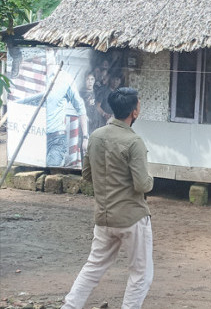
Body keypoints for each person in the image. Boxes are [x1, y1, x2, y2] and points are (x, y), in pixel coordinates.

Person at [62, 87, 154, 309]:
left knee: (93, 268)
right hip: (132, 218)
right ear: (135, 112)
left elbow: (86, 174)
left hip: (103, 217)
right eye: (139, 104)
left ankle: (69, 306)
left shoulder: (96, 136)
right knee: (141, 274)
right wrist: (151, 179)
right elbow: (143, 184)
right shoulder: (134, 142)